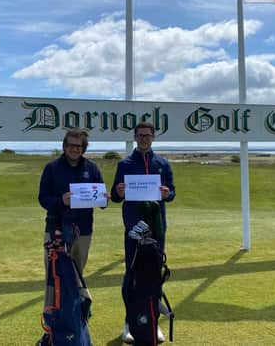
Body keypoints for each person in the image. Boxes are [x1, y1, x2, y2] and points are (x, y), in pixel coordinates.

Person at [110, 121, 175, 344]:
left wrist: (167, 194)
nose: (144, 138)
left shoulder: (162, 163)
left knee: (154, 275)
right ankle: (130, 322)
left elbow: (172, 193)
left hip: (156, 228)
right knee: (132, 275)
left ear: (153, 137)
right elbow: (116, 196)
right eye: (140, 135)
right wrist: (118, 192)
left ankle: (153, 322)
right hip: (134, 229)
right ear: (135, 138)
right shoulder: (125, 164)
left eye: (147, 135)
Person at [38, 128, 107, 275]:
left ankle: (77, 299)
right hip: (56, 228)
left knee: (77, 273)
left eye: (78, 146)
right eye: (71, 145)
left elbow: (102, 202)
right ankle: (55, 300)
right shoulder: (52, 168)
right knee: (54, 274)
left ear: (83, 148)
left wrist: (104, 199)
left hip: (83, 229)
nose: (74, 149)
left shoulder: (92, 168)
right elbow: (43, 199)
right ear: (64, 146)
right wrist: (61, 201)